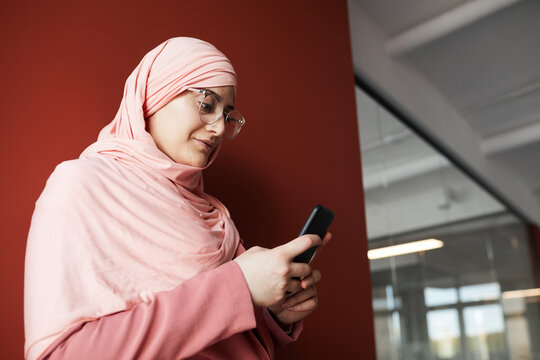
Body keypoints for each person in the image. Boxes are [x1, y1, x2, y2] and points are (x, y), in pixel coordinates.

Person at [24, 37, 331, 360]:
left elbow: (227, 338)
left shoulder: (215, 218)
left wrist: (275, 315)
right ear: (157, 93)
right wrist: (238, 286)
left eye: (227, 116)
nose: (217, 129)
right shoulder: (80, 186)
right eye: (206, 104)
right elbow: (59, 354)